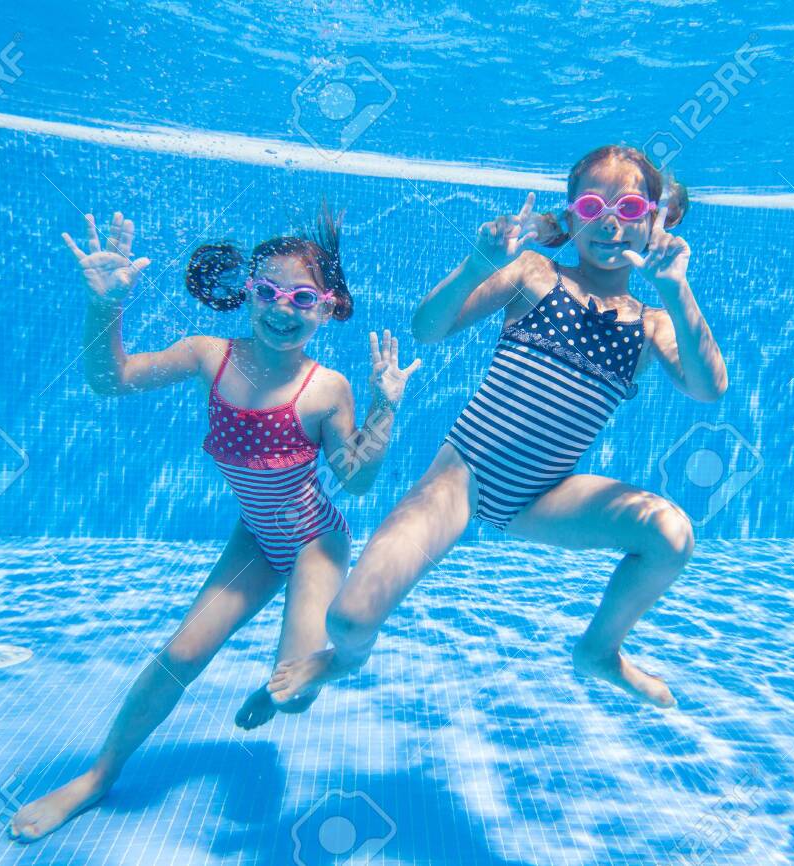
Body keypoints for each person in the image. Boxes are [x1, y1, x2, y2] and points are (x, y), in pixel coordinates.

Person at [267, 145, 727, 712]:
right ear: (572, 212)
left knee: (672, 536)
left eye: (630, 209)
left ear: (654, 220)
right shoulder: (537, 274)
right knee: (350, 618)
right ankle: (344, 660)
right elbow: (427, 328)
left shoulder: (652, 323)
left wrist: (675, 288)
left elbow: (710, 387)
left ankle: (600, 651)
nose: (610, 222)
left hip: (545, 496)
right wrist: (479, 264)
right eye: (591, 204)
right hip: (462, 476)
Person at [9, 206, 420, 841]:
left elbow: (355, 479)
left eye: (302, 297)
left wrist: (384, 408)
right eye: (267, 291)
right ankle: (97, 777)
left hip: (315, 539)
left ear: (328, 306)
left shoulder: (326, 386)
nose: (282, 309)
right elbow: (110, 381)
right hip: (257, 538)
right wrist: (105, 305)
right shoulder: (210, 356)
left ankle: (288, 682)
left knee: (297, 693)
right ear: (246, 293)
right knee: (180, 655)